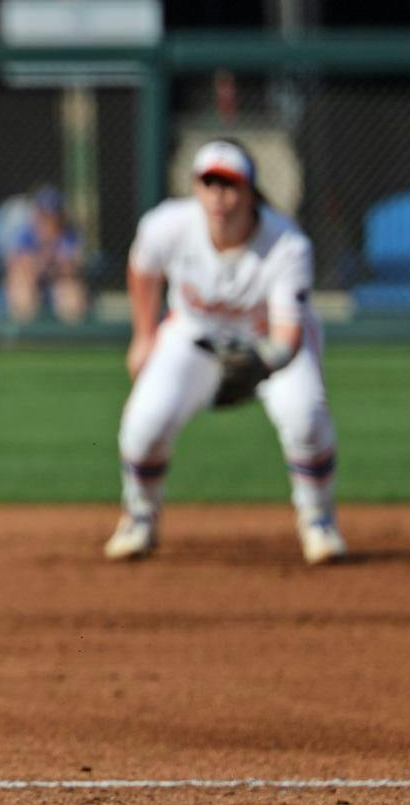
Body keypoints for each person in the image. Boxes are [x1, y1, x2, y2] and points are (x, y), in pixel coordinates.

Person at [106, 140, 345, 566]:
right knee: (144, 423)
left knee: (305, 417)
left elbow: (290, 332)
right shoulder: (167, 225)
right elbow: (143, 269)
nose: (219, 196)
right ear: (196, 188)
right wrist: (143, 336)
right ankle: (139, 518)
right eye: (209, 183)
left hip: (270, 344)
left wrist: (263, 365)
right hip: (192, 337)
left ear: (251, 191)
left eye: (230, 185)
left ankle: (318, 520)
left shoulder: (287, 244)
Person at [2, 185, 88, 324]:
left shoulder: (69, 234)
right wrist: (44, 261)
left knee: (72, 292)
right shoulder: (25, 232)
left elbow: (73, 266)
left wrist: (47, 263)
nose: (49, 220)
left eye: (53, 215)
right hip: (32, 281)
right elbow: (16, 264)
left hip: (57, 282)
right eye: (45, 215)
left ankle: (69, 339)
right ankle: (25, 337)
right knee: (21, 287)